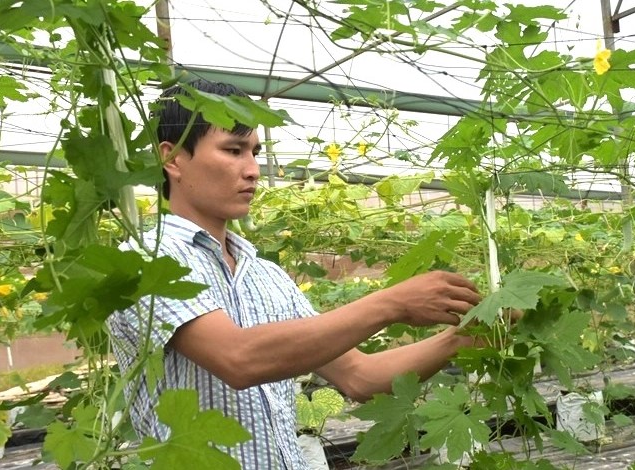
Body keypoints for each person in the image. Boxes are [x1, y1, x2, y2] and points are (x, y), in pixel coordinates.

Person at [108, 79, 483, 469]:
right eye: (233, 151)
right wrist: (393, 303)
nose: (252, 170)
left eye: (254, 151)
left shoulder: (266, 276)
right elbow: (238, 358)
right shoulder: (144, 261)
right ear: (173, 158)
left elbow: (359, 375)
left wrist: (464, 337)